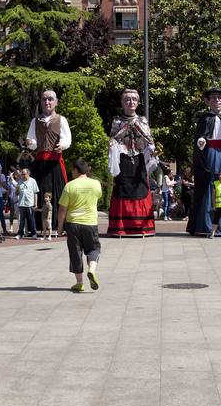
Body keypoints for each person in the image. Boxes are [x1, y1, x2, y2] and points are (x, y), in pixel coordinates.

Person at [188, 87, 221, 237]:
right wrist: (201, 142)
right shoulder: (204, 118)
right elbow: (201, 137)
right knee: (209, 186)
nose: (216, 100)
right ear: (207, 101)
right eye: (213, 97)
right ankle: (206, 226)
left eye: (219, 97)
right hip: (210, 155)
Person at [106, 88, 158, 237]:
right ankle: (121, 227)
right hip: (122, 158)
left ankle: (142, 227)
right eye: (127, 99)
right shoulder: (117, 121)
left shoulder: (143, 121)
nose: (131, 102)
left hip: (139, 158)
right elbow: (113, 138)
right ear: (122, 102)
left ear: (138, 102)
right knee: (121, 188)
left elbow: (149, 140)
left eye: (134, 99)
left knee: (141, 187)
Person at [27, 89, 72, 238]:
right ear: (41, 102)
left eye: (50, 99)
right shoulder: (35, 121)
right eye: (44, 99)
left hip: (54, 162)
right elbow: (32, 142)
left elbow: (67, 139)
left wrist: (62, 145)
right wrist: (30, 143)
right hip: (40, 162)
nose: (47, 102)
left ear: (56, 102)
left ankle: (59, 226)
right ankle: (38, 227)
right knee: (38, 193)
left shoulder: (61, 119)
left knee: (58, 193)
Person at [57, 159, 102, 293]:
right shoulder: (96, 184)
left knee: (75, 253)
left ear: (76, 170)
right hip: (90, 223)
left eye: (73, 169)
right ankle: (92, 270)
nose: (72, 172)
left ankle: (79, 283)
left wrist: (60, 226)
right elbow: (97, 197)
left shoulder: (69, 186)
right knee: (93, 248)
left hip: (73, 224)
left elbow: (62, 209)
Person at [13, 168, 39, 239]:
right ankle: (20, 234)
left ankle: (34, 234)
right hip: (21, 203)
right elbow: (17, 193)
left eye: (24, 174)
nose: (23, 175)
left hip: (30, 203)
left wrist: (35, 203)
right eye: (22, 174)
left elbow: (35, 193)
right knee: (21, 220)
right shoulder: (20, 181)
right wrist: (17, 190)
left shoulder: (33, 181)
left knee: (31, 219)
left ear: (28, 174)